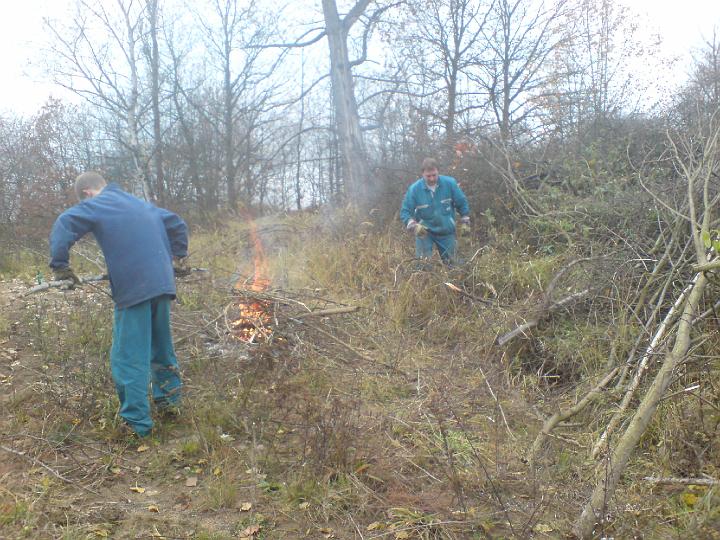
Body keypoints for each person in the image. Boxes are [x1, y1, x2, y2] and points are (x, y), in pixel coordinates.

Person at [49, 172, 189, 438]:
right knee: (161, 347)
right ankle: (170, 405)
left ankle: (137, 426)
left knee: (128, 357)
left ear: (87, 193)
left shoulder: (97, 204)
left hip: (135, 286)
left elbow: (65, 222)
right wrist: (178, 257)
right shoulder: (139, 203)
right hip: (162, 283)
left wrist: (60, 266)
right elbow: (177, 224)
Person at [400, 158, 470, 264]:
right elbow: (405, 211)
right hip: (424, 232)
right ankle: (424, 276)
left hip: (446, 230)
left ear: (438, 172)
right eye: (428, 176)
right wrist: (412, 224)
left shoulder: (450, 183)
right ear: (422, 174)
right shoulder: (414, 189)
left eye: (434, 175)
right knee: (423, 265)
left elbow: (461, 201)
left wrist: (465, 218)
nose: (432, 178)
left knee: (454, 264)